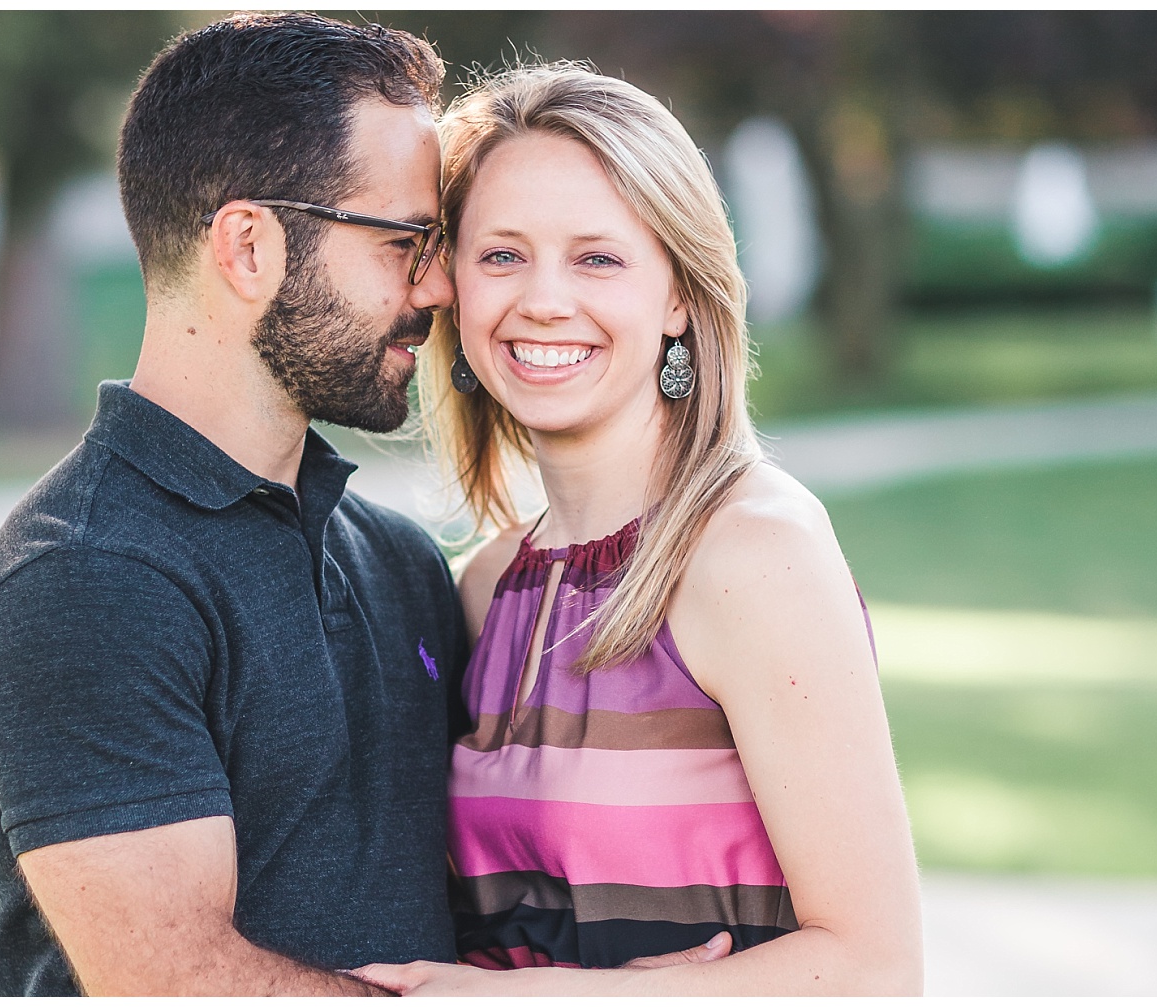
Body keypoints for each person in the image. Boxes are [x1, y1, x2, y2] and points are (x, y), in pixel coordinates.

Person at [354, 63, 924, 995]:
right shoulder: (489, 587)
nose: (542, 299)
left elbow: (875, 968)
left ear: (680, 300)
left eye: (597, 257)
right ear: (454, 285)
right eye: (501, 255)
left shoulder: (750, 551)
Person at [0, 12, 468, 995]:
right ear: (249, 247)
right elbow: (180, 985)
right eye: (407, 239)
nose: (437, 286)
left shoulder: (401, 562)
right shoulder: (83, 581)